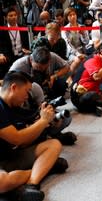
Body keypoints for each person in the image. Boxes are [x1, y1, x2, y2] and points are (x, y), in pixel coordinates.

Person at [0, 71, 67, 201]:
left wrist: (47, 122)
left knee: (54, 144)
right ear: (14, 88)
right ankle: (44, 168)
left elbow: (24, 140)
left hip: (12, 155)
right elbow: (17, 138)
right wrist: (42, 121)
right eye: (27, 91)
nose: (27, 96)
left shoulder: (16, 107)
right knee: (2, 183)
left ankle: (31, 184)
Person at [0, 7, 31, 78]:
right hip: (9, 56)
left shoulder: (23, 28)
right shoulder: (2, 30)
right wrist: (1, 54)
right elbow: (1, 45)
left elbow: (27, 44)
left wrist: (27, 50)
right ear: (5, 18)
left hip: (22, 54)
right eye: (11, 16)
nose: (14, 17)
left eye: (15, 15)